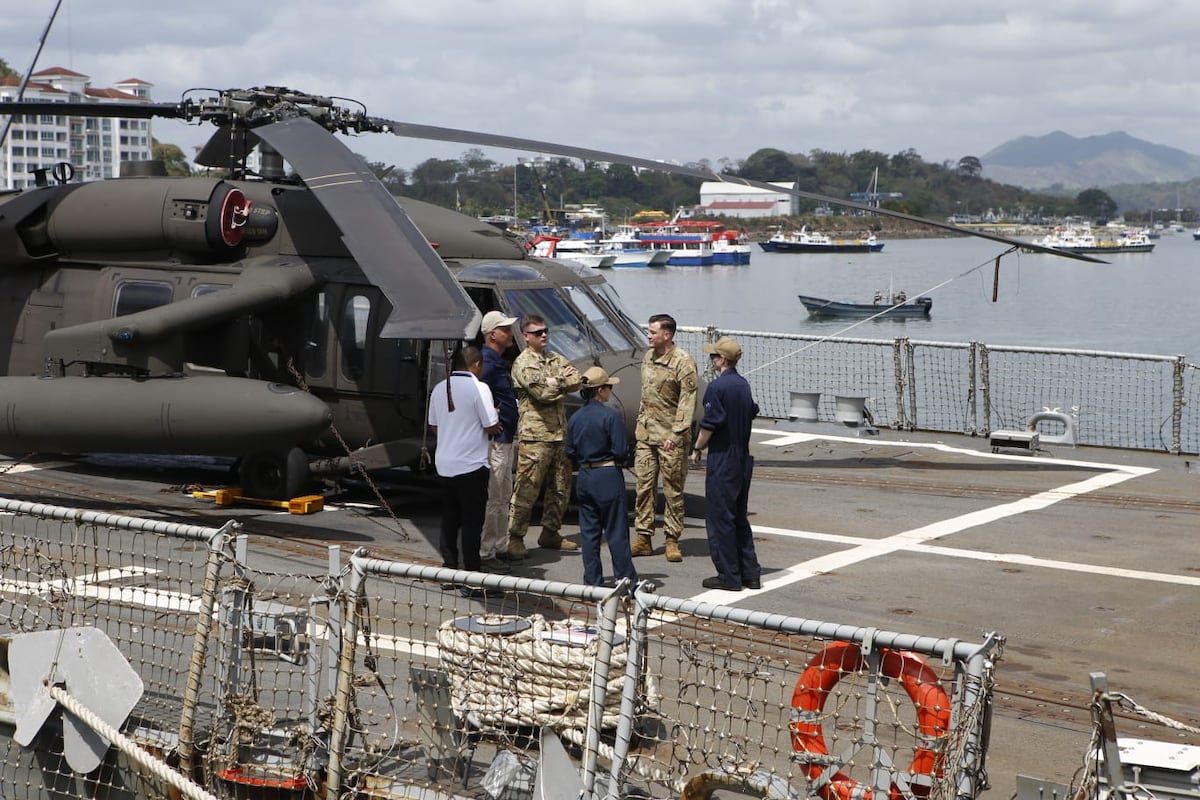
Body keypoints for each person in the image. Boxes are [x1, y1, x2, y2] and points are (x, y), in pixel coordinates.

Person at [507, 314, 583, 558]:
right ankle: (515, 537)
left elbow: (577, 380)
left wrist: (554, 381)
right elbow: (543, 394)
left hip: (559, 434)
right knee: (527, 488)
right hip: (535, 436)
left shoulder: (554, 358)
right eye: (538, 332)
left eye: (545, 331)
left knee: (560, 487)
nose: (543, 335)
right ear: (526, 336)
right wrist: (561, 382)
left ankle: (550, 532)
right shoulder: (523, 363)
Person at [690, 337, 761, 592]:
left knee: (720, 518)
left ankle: (729, 576)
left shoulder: (717, 387)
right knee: (739, 516)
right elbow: (752, 411)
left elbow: (710, 423)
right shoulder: (743, 384)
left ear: (721, 359)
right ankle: (750, 573)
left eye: (713, 356)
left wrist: (697, 448)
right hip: (743, 457)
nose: (711, 360)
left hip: (723, 458)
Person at [427, 346, 501, 574]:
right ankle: (472, 572)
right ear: (476, 364)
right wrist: (496, 415)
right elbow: (490, 426)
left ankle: (449, 567)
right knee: (472, 522)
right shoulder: (479, 388)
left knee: (449, 518)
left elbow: (434, 426)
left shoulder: (440, 388)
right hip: (472, 465)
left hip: (445, 464)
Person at [633, 313, 698, 562]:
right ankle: (643, 537)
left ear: (667, 335)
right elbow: (646, 395)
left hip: (671, 439)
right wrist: (640, 424)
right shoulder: (648, 357)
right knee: (644, 487)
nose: (648, 336)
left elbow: (687, 402)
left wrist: (676, 433)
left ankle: (672, 539)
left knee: (673, 491)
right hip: (647, 435)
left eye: (653, 332)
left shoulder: (683, 362)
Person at [565, 366, 638, 587]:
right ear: (600, 391)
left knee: (589, 533)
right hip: (607, 475)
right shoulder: (610, 416)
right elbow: (621, 451)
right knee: (616, 531)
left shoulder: (575, 418)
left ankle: (592, 581)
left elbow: (569, 451)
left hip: (585, 476)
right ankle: (625, 579)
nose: (610, 391)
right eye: (608, 387)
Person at [478, 310, 519, 574]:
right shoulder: (488, 363)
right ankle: (486, 551)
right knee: (495, 497)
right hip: (496, 439)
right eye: (505, 329)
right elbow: (477, 394)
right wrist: (490, 416)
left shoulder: (496, 361)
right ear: (492, 335)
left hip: (505, 438)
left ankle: (500, 545)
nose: (510, 333)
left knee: (503, 495)